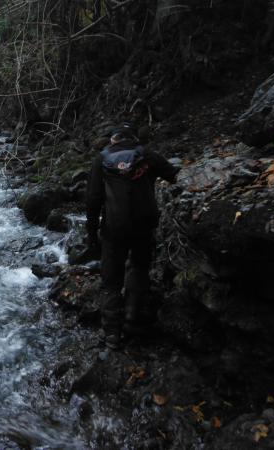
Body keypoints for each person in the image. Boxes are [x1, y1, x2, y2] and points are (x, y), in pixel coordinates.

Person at [86, 127, 178, 350]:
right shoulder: (148, 155)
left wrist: (91, 234)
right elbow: (175, 176)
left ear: (113, 140)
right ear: (134, 139)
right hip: (144, 226)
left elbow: (93, 199)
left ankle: (112, 334)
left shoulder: (102, 159)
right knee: (139, 267)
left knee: (111, 280)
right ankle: (132, 318)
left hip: (113, 228)